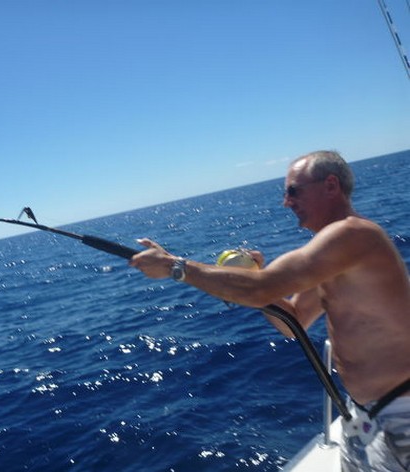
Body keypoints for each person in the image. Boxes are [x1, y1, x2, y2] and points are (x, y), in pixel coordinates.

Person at [130, 150, 410, 471]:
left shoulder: (353, 235)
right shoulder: (333, 255)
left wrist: (174, 267)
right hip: (362, 415)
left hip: (399, 415)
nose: (286, 202)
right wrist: (252, 278)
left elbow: (262, 289)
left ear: (331, 186)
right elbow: (293, 323)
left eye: (293, 190)